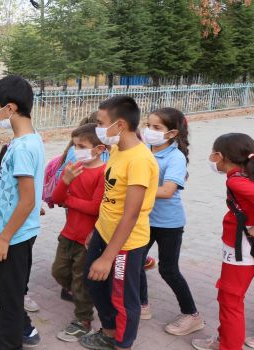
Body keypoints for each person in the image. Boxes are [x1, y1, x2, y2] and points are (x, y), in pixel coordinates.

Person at [79, 96, 159, 350]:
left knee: (123, 297)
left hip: (126, 242)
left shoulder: (140, 160)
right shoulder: (117, 150)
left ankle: (122, 344)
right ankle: (109, 331)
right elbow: (110, 197)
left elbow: (131, 214)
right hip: (105, 232)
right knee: (93, 280)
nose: (98, 129)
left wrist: (108, 257)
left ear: (121, 125)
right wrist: (96, 230)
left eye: (102, 123)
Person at [0, 75, 43, 349]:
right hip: (14, 231)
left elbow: (27, 200)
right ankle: (24, 330)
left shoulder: (22, 147)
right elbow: (22, 190)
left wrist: (3, 238)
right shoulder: (30, 140)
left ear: (11, 108)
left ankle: (11, 340)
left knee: (2, 298)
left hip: (12, 237)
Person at [138, 108, 203, 334]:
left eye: (156, 128)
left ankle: (192, 315)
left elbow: (167, 190)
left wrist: (135, 188)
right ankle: (142, 304)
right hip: (144, 219)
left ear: (172, 133)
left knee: (168, 269)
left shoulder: (175, 157)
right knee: (134, 262)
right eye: (148, 125)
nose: (149, 131)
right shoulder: (144, 150)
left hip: (168, 224)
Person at [192, 133, 254, 350]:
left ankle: (229, 345)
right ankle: (225, 339)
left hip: (242, 249)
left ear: (219, 155)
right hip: (244, 245)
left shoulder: (238, 181)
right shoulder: (246, 175)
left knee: (230, 300)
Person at [51, 123, 106, 343]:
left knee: (81, 281)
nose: (76, 150)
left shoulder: (104, 172)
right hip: (67, 235)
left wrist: (69, 201)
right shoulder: (71, 169)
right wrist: (65, 182)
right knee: (59, 272)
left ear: (99, 149)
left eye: (81, 146)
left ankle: (83, 320)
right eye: (75, 145)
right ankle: (79, 293)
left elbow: (95, 207)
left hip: (87, 239)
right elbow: (56, 199)